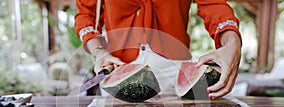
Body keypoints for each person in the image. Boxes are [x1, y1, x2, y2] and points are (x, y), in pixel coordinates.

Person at [74, 0, 242, 99]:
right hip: (118, 69)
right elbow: (86, 16)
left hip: (174, 73)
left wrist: (232, 42)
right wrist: (99, 52)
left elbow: (214, 5)